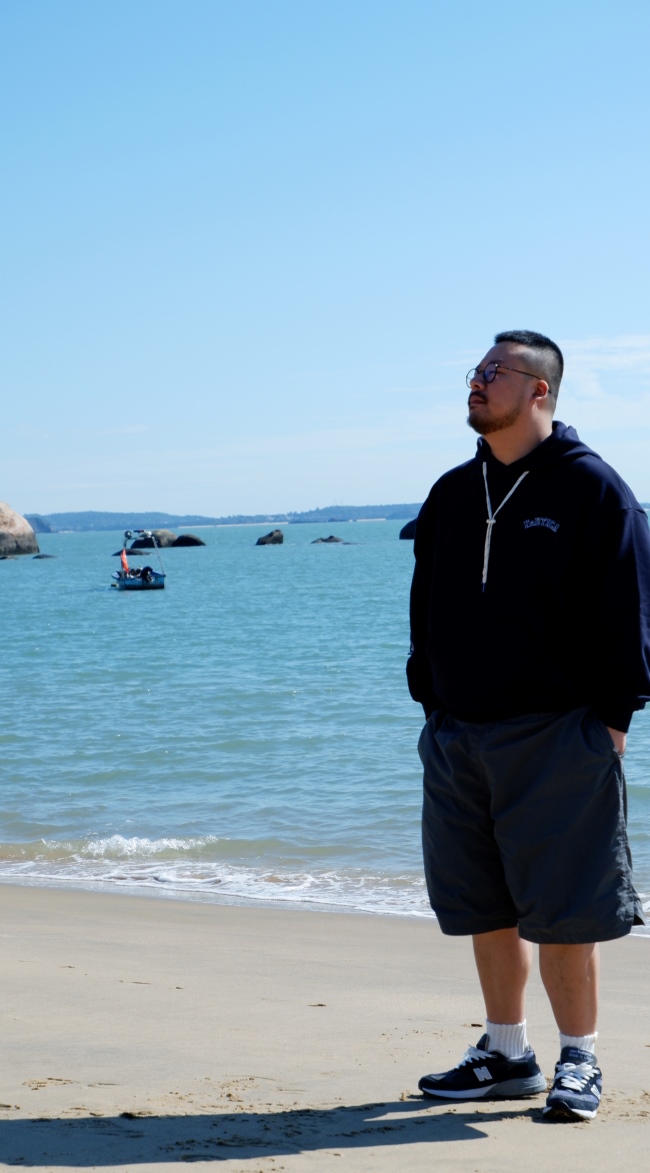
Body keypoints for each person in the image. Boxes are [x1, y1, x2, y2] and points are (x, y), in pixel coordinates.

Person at [407, 329, 650, 1120]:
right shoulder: (453, 491)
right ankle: (506, 1052)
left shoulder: (594, 488)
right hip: (459, 736)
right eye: (475, 371)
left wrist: (611, 721)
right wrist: (432, 702)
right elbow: (424, 605)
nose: (475, 382)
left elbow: (631, 610)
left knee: (567, 907)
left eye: (494, 372)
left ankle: (580, 1058)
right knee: (485, 902)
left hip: (558, 735)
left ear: (539, 389)